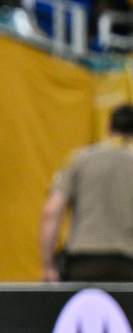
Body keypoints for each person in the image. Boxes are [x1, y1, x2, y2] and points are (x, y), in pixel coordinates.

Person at [39, 104, 133, 282]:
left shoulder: (81, 158)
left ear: (108, 126)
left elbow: (51, 211)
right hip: (128, 265)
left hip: (83, 264)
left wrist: (48, 266)